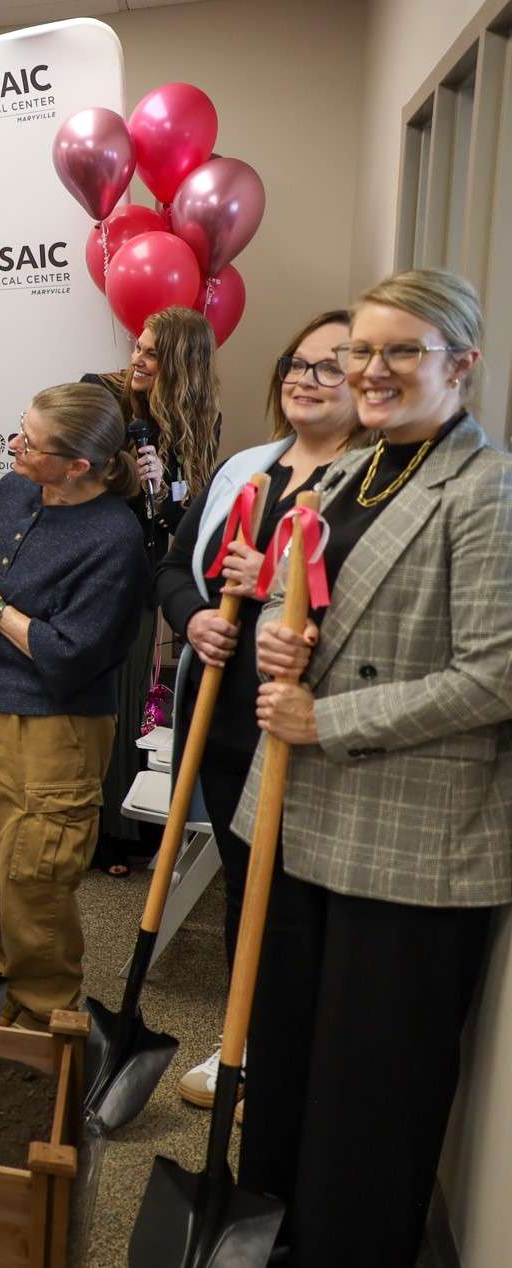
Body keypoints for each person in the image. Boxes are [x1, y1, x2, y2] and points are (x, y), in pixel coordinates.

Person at [237, 269, 512, 1267]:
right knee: (293, 1072)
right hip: (305, 818)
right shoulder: (357, 470)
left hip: (411, 844)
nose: (371, 368)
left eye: (402, 350)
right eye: (362, 348)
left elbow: (494, 675)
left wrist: (328, 715)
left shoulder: (486, 491)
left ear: (461, 363)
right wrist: (276, 633)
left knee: (369, 1096)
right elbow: (297, 590)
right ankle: (275, 1238)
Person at [153, 309, 357, 1109]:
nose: (304, 381)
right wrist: (192, 615)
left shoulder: (365, 484)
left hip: (305, 726)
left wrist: (267, 582)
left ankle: (286, 1055)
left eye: (327, 368)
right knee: (245, 888)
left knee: (298, 904)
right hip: (226, 716)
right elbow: (173, 568)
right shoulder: (245, 468)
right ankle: (237, 1039)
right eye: (295, 365)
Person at [0, 383, 147, 1030]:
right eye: (19, 431)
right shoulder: (14, 490)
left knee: (32, 877)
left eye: (29, 443)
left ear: (79, 465)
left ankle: (42, 1020)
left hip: (53, 728)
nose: (14, 447)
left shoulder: (114, 537)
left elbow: (70, 654)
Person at [84, 305, 221, 876]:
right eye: (137, 348)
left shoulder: (198, 418)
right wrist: (125, 475)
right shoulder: (101, 395)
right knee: (98, 697)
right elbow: (74, 475)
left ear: (183, 366)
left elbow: (185, 512)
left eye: (151, 354)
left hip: (146, 569)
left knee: (134, 693)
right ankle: (96, 831)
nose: (136, 360)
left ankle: (127, 824)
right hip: (94, 563)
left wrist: (164, 494)